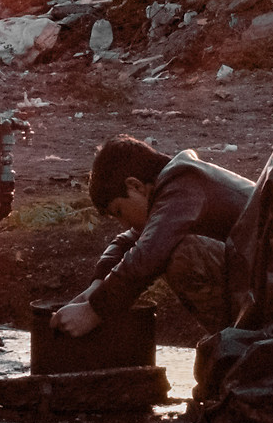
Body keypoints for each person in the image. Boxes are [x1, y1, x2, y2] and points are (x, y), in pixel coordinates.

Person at [51, 135, 255, 337]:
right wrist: (97, 284)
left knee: (182, 254)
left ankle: (240, 340)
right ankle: (236, 339)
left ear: (135, 186)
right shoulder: (173, 189)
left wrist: (94, 311)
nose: (124, 224)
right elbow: (127, 241)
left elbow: (148, 254)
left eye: (119, 212)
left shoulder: (182, 186)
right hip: (263, 283)